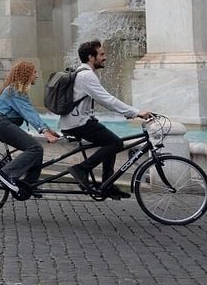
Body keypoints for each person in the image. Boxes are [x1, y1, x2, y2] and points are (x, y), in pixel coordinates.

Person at [59, 40, 151, 199]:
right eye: (101, 54)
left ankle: (107, 184)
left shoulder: (82, 72)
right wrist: (136, 112)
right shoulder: (87, 75)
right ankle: (81, 169)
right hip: (78, 123)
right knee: (115, 143)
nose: (105, 57)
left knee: (111, 141)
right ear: (91, 57)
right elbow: (107, 100)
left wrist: (129, 113)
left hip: (76, 120)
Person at [0, 61, 60, 193]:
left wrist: (48, 129)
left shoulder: (14, 89)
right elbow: (29, 113)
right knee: (35, 148)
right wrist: (44, 131)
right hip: (1, 124)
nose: (37, 76)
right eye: (34, 72)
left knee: (37, 150)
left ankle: (30, 185)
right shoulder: (14, 90)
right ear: (26, 74)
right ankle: (6, 173)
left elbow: (30, 112)